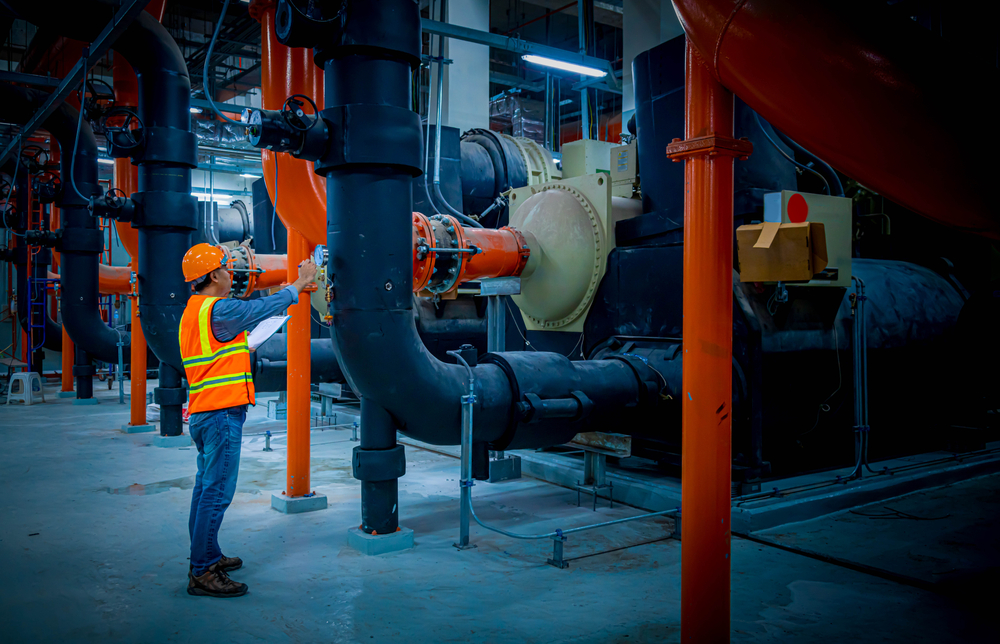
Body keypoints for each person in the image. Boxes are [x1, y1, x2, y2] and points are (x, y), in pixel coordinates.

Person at [178, 243, 318, 598]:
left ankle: (206, 554)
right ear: (213, 276)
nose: (231, 274)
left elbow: (216, 353)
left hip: (204, 412)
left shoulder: (194, 311)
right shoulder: (220, 308)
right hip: (221, 413)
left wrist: (244, 347)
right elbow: (259, 307)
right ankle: (202, 572)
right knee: (217, 492)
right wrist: (299, 284)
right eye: (226, 269)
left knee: (204, 488)